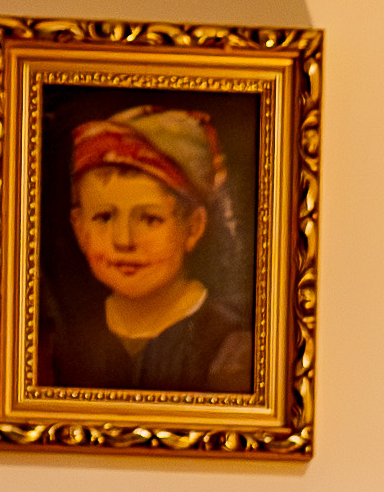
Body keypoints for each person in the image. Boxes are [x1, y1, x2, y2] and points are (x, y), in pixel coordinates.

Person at [39, 111, 257, 394]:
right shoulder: (62, 340)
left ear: (193, 227)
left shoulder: (231, 345)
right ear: (79, 229)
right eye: (104, 217)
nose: (124, 241)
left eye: (150, 219)